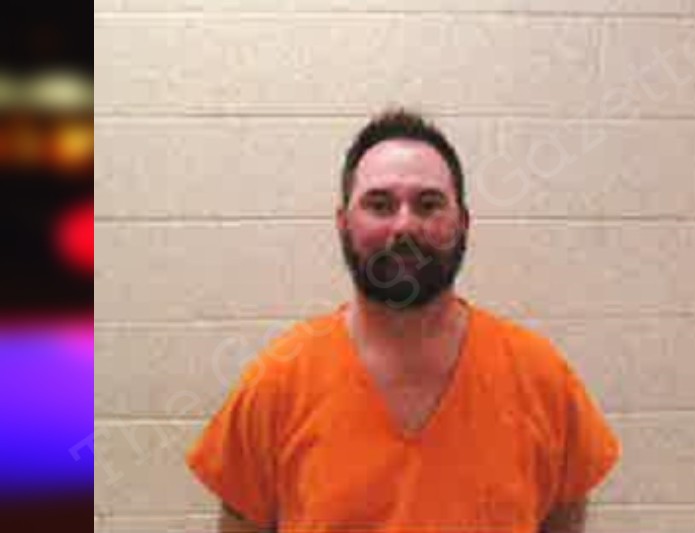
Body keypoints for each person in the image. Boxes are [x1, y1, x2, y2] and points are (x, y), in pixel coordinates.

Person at [186, 108, 621, 533]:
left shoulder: (542, 380)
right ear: (343, 224)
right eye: (380, 204)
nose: (405, 225)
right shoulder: (275, 385)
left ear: (463, 223)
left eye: (428, 205)